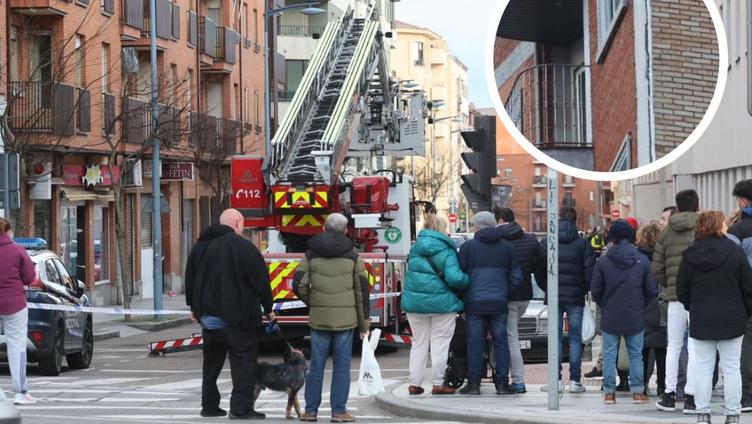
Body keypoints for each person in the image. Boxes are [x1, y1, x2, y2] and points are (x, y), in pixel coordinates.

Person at [185, 209, 274, 420]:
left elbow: (191, 277)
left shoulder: (201, 246)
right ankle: (240, 408)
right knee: (243, 363)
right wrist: (268, 307)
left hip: (209, 320)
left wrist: (194, 308)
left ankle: (209, 406)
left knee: (211, 364)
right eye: (242, 225)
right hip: (237, 318)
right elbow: (260, 280)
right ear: (236, 223)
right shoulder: (243, 247)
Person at [677, 211, 752, 424]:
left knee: (703, 367)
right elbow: (748, 288)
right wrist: (745, 312)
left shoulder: (689, 255)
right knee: (731, 367)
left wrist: (694, 307)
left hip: (702, 317)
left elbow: (682, 290)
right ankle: (733, 413)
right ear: (719, 227)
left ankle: (702, 413)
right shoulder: (735, 253)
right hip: (733, 317)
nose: (727, 227)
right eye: (725, 225)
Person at [297, 213, 370, 423]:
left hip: (319, 318)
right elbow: (361, 291)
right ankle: (339, 411)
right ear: (346, 230)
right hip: (346, 321)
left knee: (317, 366)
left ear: (324, 227)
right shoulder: (354, 256)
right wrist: (364, 323)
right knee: (342, 366)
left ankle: (310, 411)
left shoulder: (311, 254)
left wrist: (314, 302)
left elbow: (299, 283)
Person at [591, 220, 658, 405]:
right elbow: (651, 291)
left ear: (612, 237)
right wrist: (640, 304)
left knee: (610, 355)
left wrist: (605, 304)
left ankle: (610, 393)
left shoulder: (604, 261)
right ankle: (637, 392)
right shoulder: (642, 260)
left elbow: (595, 290)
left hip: (610, 314)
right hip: (634, 313)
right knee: (636, 355)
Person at [402, 214, 469, 395]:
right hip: (442, 304)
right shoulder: (447, 250)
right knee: (440, 343)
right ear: (441, 229)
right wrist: (467, 280)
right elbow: (455, 278)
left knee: (419, 343)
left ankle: (414, 383)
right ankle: (438, 383)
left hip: (415, 304)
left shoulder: (415, 249)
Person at [457, 211, 522, 395]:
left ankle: (474, 384)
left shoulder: (468, 248)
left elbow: (460, 277)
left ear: (477, 226)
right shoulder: (507, 248)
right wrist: (504, 290)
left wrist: (466, 294)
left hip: (475, 303)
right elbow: (517, 275)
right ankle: (501, 383)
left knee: (475, 343)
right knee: (501, 343)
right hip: (499, 303)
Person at [537, 206, 595, 393]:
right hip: (575, 295)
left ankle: (556, 380)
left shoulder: (547, 241)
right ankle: (575, 381)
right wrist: (583, 289)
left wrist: (546, 287)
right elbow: (589, 272)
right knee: (575, 337)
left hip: (554, 296)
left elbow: (538, 268)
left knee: (554, 337)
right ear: (575, 220)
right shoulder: (582, 243)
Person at [653, 190, 700, 413]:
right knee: (695, 346)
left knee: (673, 345)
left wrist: (672, 284)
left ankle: (669, 395)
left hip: (675, 296)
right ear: (697, 205)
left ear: (678, 208)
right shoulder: (704, 227)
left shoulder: (667, 232)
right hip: (699, 294)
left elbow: (657, 269)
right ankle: (691, 397)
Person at [495, 206, 545, 393]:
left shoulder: (497, 239)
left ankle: (518, 381)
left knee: (510, 338)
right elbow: (541, 263)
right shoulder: (530, 239)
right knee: (511, 335)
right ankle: (508, 376)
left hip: (505, 296)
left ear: (499, 220)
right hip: (525, 295)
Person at [0, 218, 37, 405]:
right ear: (8, 231)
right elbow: (30, 277)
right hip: (14, 303)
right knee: (16, 346)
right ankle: (20, 392)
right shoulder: (17, 250)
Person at [728, 179, 752, 411]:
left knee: (746, 345)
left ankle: (747, 395)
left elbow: (729, 265)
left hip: (746, 295)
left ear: (743, 201)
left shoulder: (737, 231)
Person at [636, 220, 668, 397]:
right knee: (662, 350)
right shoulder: (662, 258)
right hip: (660, 308)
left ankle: (642, 383)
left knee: (642, 350)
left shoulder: (637, 259)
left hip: (642, 308)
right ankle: (662, 385)